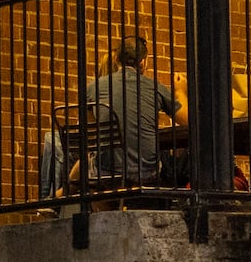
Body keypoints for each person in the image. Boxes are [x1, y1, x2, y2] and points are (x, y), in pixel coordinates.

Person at [75, 32, 178, 189]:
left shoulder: (94, 87)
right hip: (146, 172)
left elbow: (90, 132)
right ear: (143, 63)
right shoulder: (155, 87)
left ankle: (101, 210)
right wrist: (181, 91)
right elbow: (188, 121)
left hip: (106, 171)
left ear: (116, 59)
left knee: (92, 170)